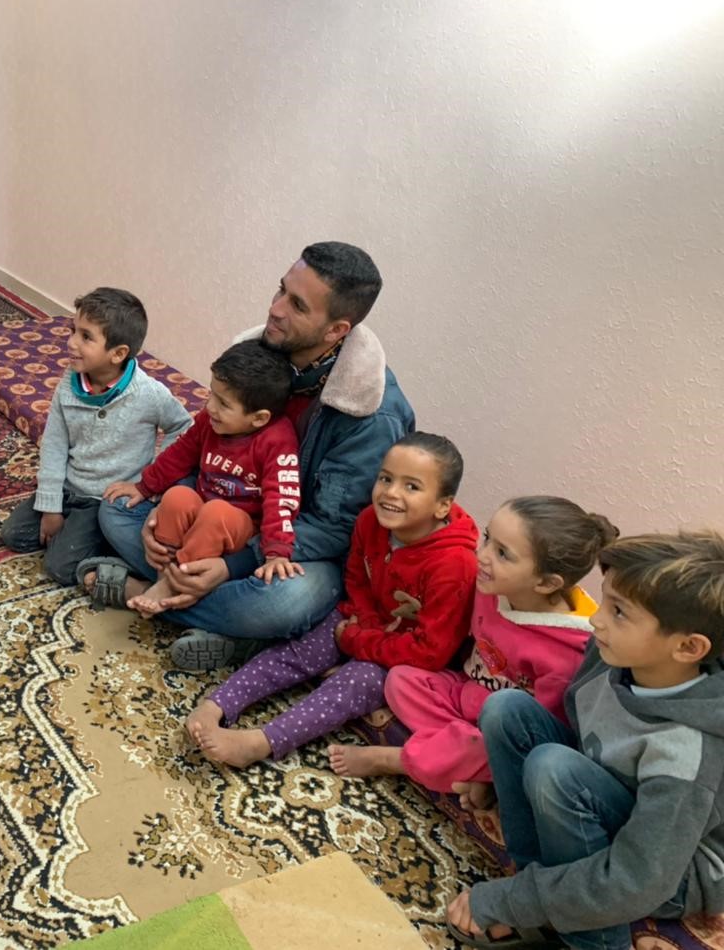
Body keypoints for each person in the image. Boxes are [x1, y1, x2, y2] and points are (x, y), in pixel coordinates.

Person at [92, 242, 415, 670]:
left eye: (297, 305)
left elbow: (333, 529)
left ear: (337, 330)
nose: (276, 309)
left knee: (289, 601)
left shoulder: (371, 416)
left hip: (295, 546)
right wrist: (166, 509)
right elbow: (205, 443)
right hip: (225, 510)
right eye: (281, 290)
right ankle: (228, 625)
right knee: (116, 509)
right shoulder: (263, 351)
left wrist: (232, 565)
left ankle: (155, 587)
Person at [447, 531, 724, 950]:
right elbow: (577, 731)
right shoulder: (614, 654)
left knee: (554, 769)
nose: (596, 619)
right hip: (620, 803)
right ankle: (536, 880)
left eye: (618, 612)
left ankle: (595, 939)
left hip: (673, 870)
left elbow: (638, 880)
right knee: (506, 710)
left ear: (687, 647)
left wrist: (510, 903)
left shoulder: (688, 752)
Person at [185, 432, 478, 767]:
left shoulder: (455, 565)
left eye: (412, 486)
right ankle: (218, 704)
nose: (391, 493)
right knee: (303, 648)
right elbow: (357, 578)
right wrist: (363, 625)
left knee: (356, 682)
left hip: (407, 658)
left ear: (443, 505)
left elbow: (431, 652)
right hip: (365, 623)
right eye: (385, 478)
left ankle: (262, 742)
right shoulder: (370, 520)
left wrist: (358, 641)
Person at [329, 495, 617, 805]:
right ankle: (465, 766)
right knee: (401, 680)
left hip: (500, 733)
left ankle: (397, 760)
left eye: (503, 553)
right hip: (465, 695)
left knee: (479, 748)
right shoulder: (492, 588)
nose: (482, 555)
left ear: (546, 583)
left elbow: (535, 738)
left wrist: (491, 749)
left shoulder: (566, 652)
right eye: (489, 538)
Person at [0, 287, 191, 586]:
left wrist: (151, 477)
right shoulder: (68, 386)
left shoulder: (149, 394)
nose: (71, 342)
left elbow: (182, 426)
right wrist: (50, 505)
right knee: (14, 535)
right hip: (68, 490)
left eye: (86, 337)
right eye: (73, 330)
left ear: (118, 353)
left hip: (104, 500)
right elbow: (54, 444)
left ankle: (110, 550)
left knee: (60, 568)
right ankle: (84, 535)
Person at [101, 340, 299, 617]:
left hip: (238, 528)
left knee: (217, 513)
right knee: (176, 497)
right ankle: (167, 581)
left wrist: (276, 551)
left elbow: (281, 496)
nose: (210, 407)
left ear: (259, 418)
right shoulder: (210, 420)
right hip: (198, 514)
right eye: (212, 394)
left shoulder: (277, 440)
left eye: (223, 403)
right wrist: (144, 487)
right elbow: (181, 452)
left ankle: (168, 589)